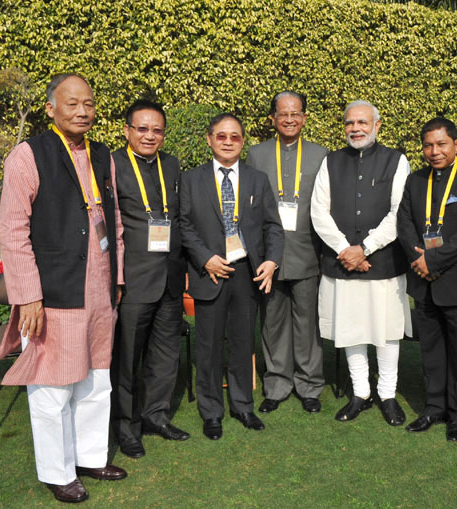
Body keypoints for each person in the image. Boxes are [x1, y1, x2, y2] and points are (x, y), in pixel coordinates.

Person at [0, 73, 127, 503]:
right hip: (52, 290)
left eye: (89, 103)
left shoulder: (102, 155)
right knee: (52, 384)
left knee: (97, 379)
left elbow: (112, 221)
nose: (82, 111)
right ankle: (57, 470)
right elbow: (12, 230)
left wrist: (117, 277)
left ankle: (89, 456)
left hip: (100, 287)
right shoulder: (28, 154)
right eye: (72, 103)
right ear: (51, 109)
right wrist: (28, 295)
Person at [179, 113, 283, 440]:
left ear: (242, 142)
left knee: (242, 343)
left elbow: (272, 226)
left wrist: (272, 261)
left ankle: (243, 406)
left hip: (245, 274)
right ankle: (211, 412)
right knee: (208, 347)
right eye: (221, 136)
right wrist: (205, 258)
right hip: (208, 272)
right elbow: (183, 225)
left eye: (234, 137)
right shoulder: (191, 179)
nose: (227, 142)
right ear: (209, 139)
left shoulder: (257, 179)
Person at [310, 100, 411, 425]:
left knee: (386, 330)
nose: (356, 128)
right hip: (342, 262)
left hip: (382, 262)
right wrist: (346, 250)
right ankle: (361, 392)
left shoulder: (396, 161)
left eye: (363, 122)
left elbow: (400, 213)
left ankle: (387, 394)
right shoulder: (331, 161)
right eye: (350, 123)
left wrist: (364, 248)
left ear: (377, 125)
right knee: (351, 329)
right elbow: (318, 211)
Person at [397, 118, 457, 441]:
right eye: (428, 145)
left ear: (456, 144)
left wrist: (431, 259)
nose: (434, 152)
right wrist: (416, 258)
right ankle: (434, 407)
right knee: (431, 350)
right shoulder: (415, 181)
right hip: (423, 281)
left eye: (441, 144)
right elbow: (404, 222)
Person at [110, 99, 189, 458]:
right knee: (127, 359)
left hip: (170, 277)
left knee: (165, 354)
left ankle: (156, 415)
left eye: (157, 129)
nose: (149, 135)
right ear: (127, 130)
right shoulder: (111, 164)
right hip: (134, 279)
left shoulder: (170, 164)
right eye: (142, 128)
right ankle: (127, 428)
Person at [245, 91, 328, 414]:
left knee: (308, 324)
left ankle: (309, 384)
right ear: (272, 119)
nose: (290, 119)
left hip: (308, 252)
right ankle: (277, 383)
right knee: (273, 322)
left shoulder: (322, 156)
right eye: (283, 114)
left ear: (305, 117)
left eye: (296, 113)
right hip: (270, 257)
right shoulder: (257, 154)